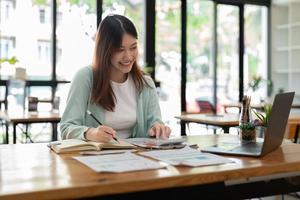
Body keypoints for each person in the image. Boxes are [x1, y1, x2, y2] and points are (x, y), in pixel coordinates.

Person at [60, 14, 171, 143]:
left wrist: (158, 128)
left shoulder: (145, 83)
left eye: (133, 48)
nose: (128, 56)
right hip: (95, 159)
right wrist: (91, 133)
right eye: (120, 50)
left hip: (136, 158)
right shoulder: (85, 78)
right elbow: (66, 128)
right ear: (105, 50)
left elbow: (155, 122)